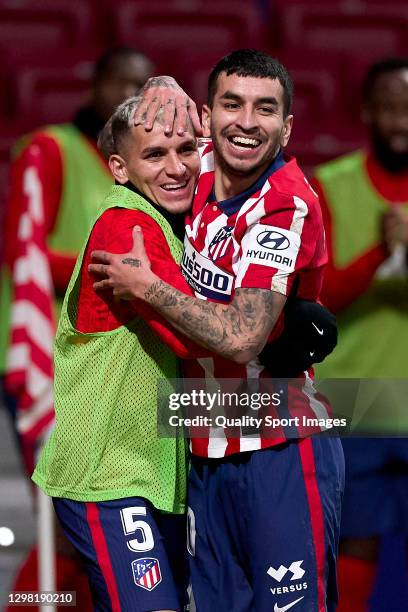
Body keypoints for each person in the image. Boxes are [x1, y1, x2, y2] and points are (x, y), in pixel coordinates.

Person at [89, 49, 345, 612]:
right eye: (232, 104)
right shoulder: (191, 164)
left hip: (279, 446)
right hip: (201, 448)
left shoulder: (285, 204)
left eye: (266, 109)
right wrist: (159, 85)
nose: (248, 123)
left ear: (288, 126)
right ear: (206, 117)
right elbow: (118, 137)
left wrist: (148, 286)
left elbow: (241, 338)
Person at [32, 96, 205, 611]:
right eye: (154, 155)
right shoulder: (126, 227)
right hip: (109, 476)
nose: (176, 168)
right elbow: (197, 340)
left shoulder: (170, 219)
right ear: (119, 167)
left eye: (187, 150)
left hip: (152, 472)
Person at [0, 47, 154, 611]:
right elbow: (25, 251)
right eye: (117, 80)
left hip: (109, 366)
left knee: (90, 517)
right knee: (67, 515)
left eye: (137, 85)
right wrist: (113, 269)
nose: (125, 94)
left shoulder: (141, 163)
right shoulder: (52, 149)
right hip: (50, 357)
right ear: (94, 85)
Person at [312, 57, 408, 612]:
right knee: (352, 543)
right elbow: (313, 299)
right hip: (354, 400)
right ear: (368, 112)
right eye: (390, 109)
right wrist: (380, 253)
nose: (400, 123)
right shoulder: (328, 188)